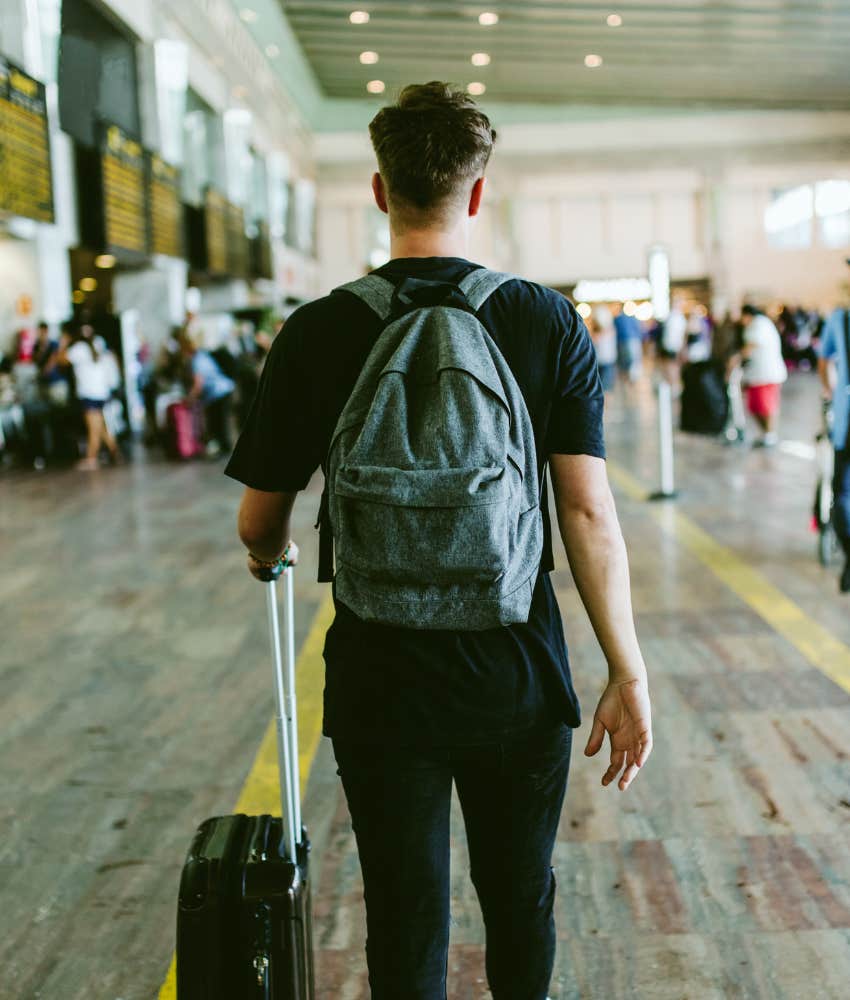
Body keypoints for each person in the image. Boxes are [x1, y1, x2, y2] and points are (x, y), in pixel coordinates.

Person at [226, 82, 652, 1000]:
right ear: (478, 192)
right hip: (517, 672)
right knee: (519, 900)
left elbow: (262, 520)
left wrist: (271, 556)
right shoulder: (544, 320)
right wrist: (627, 668)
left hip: (382, 678)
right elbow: (586, 515)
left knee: (406, 917)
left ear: (380, 191)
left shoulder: (318, 330)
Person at [818, 277, 850, 592]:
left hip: (847, 418)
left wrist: (831, 392)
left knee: (841, 492)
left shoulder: (840, 319)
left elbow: (824, 361)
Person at [58, 322, 120, 470]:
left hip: (88, 392)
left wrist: (63, 344)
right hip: (102, 391)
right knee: (100, 425)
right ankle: (114, 450)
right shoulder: (99, 343)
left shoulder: (78, 349)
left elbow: (61, 360)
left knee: (93, 426)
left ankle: (91, 458)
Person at [177, 330, 236, 456]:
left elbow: (198, 384)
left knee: (217, 421)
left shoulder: (196, 361)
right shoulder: (203, 355)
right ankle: (224, 447)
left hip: (218, 392)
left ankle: (224, 448)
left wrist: (189, 399)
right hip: (224, 388)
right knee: (220, 421)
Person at [738, 304, 788, 448]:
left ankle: (770, 434)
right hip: (759, 373)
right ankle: (767, 433)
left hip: (766, 374)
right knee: (756, 405)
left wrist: (736, 358)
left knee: (766, 405)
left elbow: (751, 345)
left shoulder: (759, 324)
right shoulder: (760, 323)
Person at [590, 303, 618, 391]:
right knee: (604, 388)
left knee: (603, 388)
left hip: (604, 361)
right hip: (604, 361)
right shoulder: (610, 330)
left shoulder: (607, 330)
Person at [613, 303, 643, 383]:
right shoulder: (634, 319)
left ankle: (625, 380)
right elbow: (639, 331)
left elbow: (615, 333)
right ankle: (632, 380)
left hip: (622, 343)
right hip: (634, 342)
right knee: (634, 362)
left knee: (624, 364)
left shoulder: (617, 319)